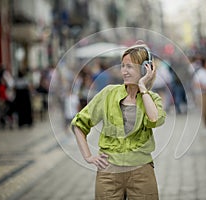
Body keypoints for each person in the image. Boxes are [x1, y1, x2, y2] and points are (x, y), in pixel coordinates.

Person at [71, 44, 166, 199]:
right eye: (122, 66)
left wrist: (142, 86)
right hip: (109, 173)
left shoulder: (152, 99)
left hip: (141, 172)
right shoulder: (109, 93)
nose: (124, 71)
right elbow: (79, 124)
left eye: (129, 66)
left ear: (145, 69)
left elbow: (154, 119)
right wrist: (88, 157)